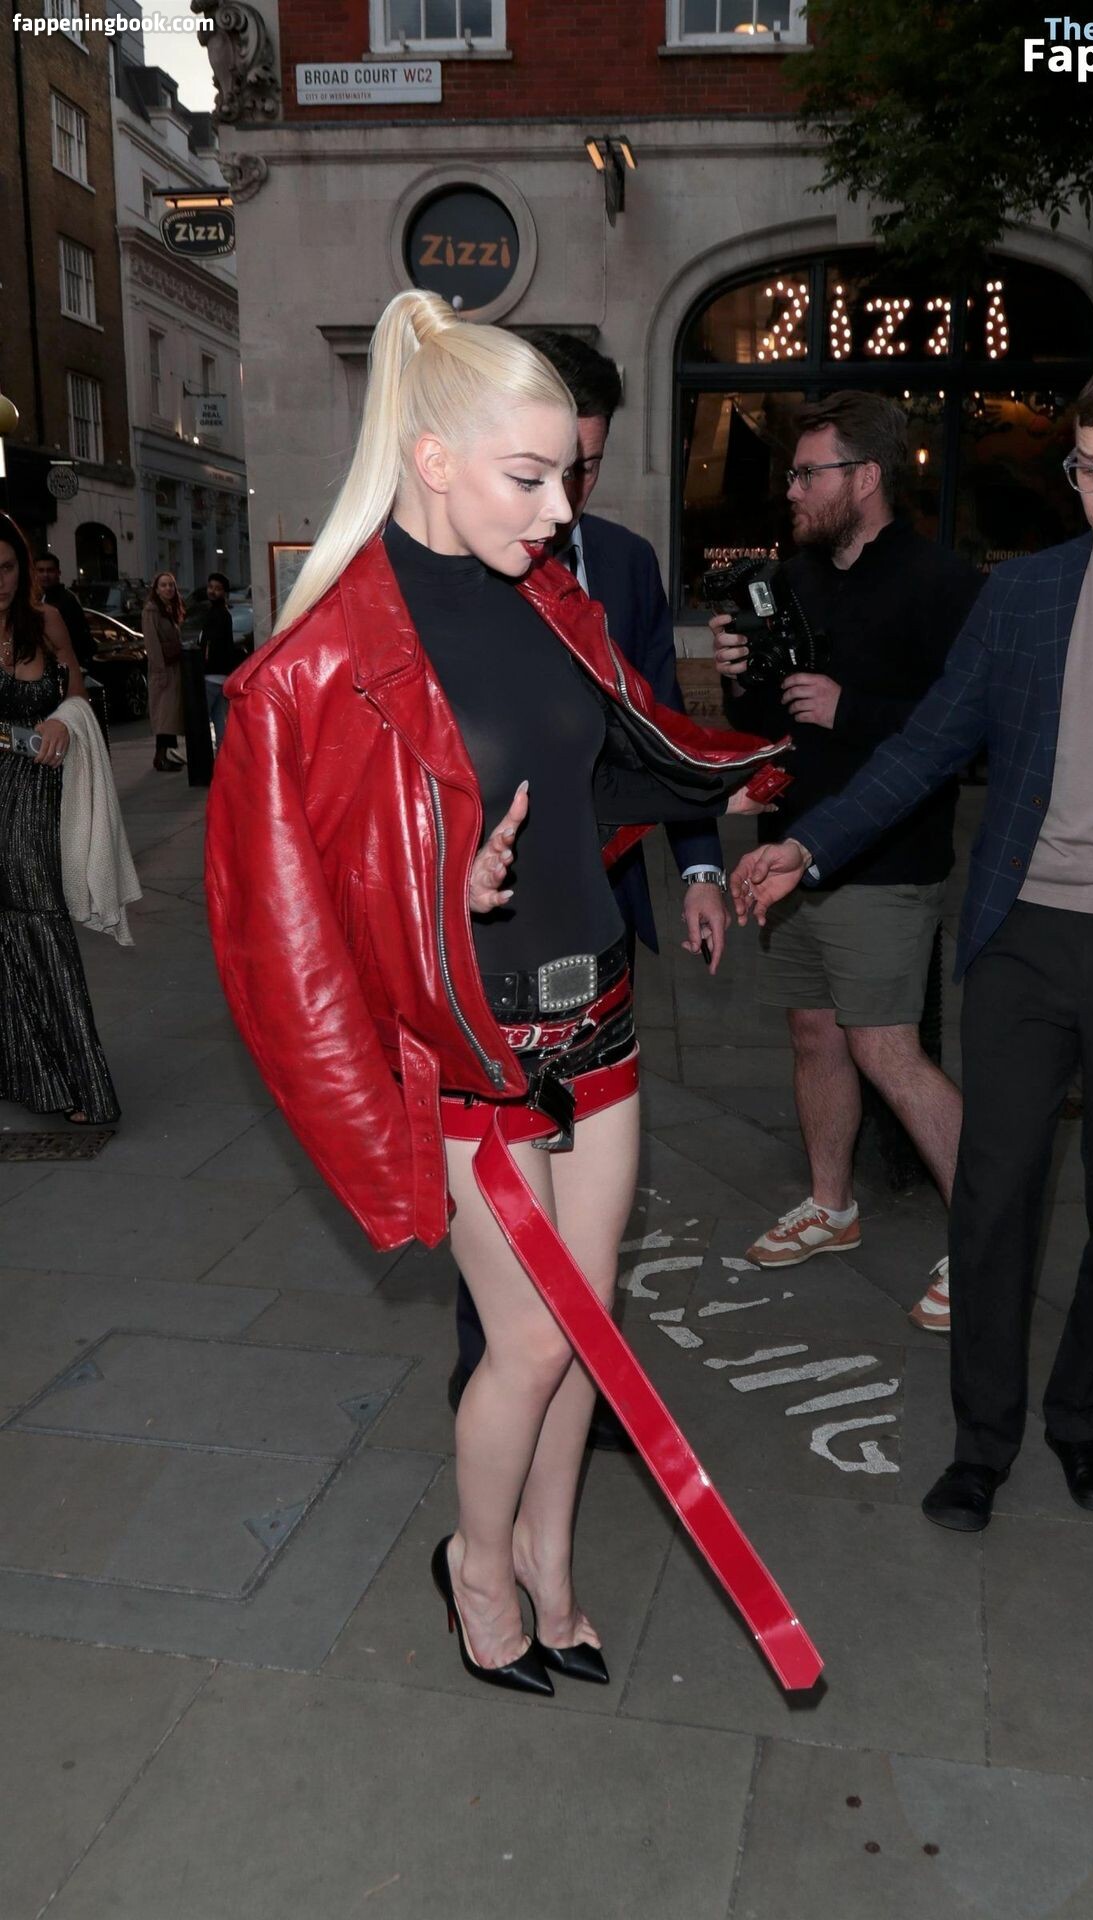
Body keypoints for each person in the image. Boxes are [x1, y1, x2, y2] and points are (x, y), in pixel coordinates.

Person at [205, 292, 817, 1698]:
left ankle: (550, 1560)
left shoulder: (552, 597)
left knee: (585, 1333)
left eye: (565, 478)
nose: (557, 510)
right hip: (470, 1048)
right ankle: (475, 1566)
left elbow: (593, 771)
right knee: (533, 1340)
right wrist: (438, 891)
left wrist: (716, 784)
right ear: (432, 459)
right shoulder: (316, 663)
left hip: (599, 1008)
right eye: (529, 477)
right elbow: (276, 927)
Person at [731, 346, 1093, 1532]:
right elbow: (927, 744)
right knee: (990, 1198)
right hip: (1022, 936)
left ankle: (1079, 1420)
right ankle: (980, 1438)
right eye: (1084, 468)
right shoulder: (1024, 593)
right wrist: (809, 846)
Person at [447, 328, 730, 1440]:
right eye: (546, 465)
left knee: (587, 1213)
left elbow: (664, 729)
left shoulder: (622, 562)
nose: (566, 496)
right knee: (498, 1202)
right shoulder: (451, 565)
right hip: (489, 933)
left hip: (601, 919)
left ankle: (573, 1372)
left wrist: (698, 862)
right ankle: (497, 1379)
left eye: (589, 465)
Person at [713, 394, 982, 1330]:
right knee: (815, 1036)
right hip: (791, 845)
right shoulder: (792, 578)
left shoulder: (941, 583)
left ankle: (986, 1243)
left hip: (887, 858)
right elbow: (768, 721)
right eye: (792, 475)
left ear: (865, 477)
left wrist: (851, 707)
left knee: (885, 1048)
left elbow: (970, 734)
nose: (791, 490)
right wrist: (739, 678)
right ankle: (831, 1206)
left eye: (807, 474)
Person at [0, 513, 120, 1125]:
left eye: (5, 567)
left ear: (22, 569)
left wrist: (61, 720)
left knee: (41, 918)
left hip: (37, 791)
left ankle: (81, 1081)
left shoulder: (46, 622)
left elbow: (77, 691)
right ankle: (26, 1069)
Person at [141, 571, 184, 771]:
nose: (168, 588)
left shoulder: (168, 609)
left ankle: (165, 754)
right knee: (164, 716)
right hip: (163, 669)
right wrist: (160, 671)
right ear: (156, 589)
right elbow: (152, 643)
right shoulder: (151, 610)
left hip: (173, 667)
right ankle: (160, 757)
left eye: (171, 585)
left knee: (170, 716)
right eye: (164, 585)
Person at [200, 571, 241, 750]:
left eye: (217, 588)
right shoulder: (222, 613)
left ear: (224, 592)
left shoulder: (217, 614)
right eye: (210, 587)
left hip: (211, 674)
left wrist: (204, 662)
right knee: (218, 718)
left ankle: (207, 756)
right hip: (221, 675)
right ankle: (222, 756)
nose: (212, 591)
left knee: (203, 718)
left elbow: (211, 643)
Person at [34, 553, 95, 673]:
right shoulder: (31, 599)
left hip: (62, 666)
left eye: (50, 570)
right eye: (41, 570)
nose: (45, 575)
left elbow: (79, 636)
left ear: (58, 573)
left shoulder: (67, 600)